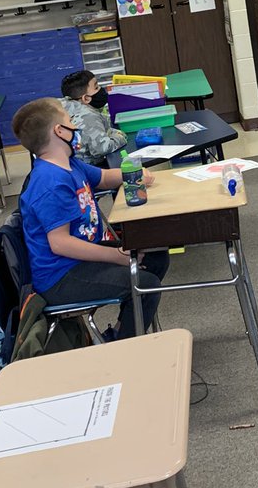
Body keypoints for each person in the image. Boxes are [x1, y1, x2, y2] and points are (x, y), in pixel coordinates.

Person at [12, 98, 167, 338]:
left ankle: (120, 331)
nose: (76, 126)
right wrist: (116, 256)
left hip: (80, 257)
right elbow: (60, 243)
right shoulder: (50, 183)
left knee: (156, 256)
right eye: (70, 120)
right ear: (60, 131)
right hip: (61, 276)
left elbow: (103, 178)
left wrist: (132, 174)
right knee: (145, 283)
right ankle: (122, 347)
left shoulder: (70, 164)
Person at [59, 70, 127, 168]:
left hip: (68, 163)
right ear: (86, 98)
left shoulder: (66, 105)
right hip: (87, 167)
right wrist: (120, 137)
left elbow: (101, 130)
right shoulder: (88, 116)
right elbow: (102, 148)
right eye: (96, 87)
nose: (101, 89)